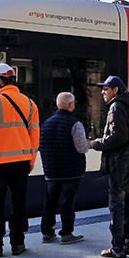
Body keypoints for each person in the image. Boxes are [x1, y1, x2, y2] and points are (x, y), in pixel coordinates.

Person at [0, 63, 40, 258]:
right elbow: (34, 136)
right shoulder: (30, 103)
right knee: (19, 201)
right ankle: (18, 242)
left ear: (0, 80)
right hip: (21, 162)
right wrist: (30, 161)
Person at [89, 76, 129, 257]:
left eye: (106, 88)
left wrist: (95, 144)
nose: (102, 92)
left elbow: (118, 137)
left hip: (119, 167)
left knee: (117, 207)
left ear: (115, 90)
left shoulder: (116, 107)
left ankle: (117, 248)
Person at [39, 92, 87, 245]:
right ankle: (66, 234)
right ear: (71, 105)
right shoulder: (75, 123)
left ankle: (47, 233)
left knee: (50, 201)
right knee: (67, 202)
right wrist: (89, 144)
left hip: (51, 170)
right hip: (71, 171)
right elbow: (81, 148)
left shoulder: (46, 123)